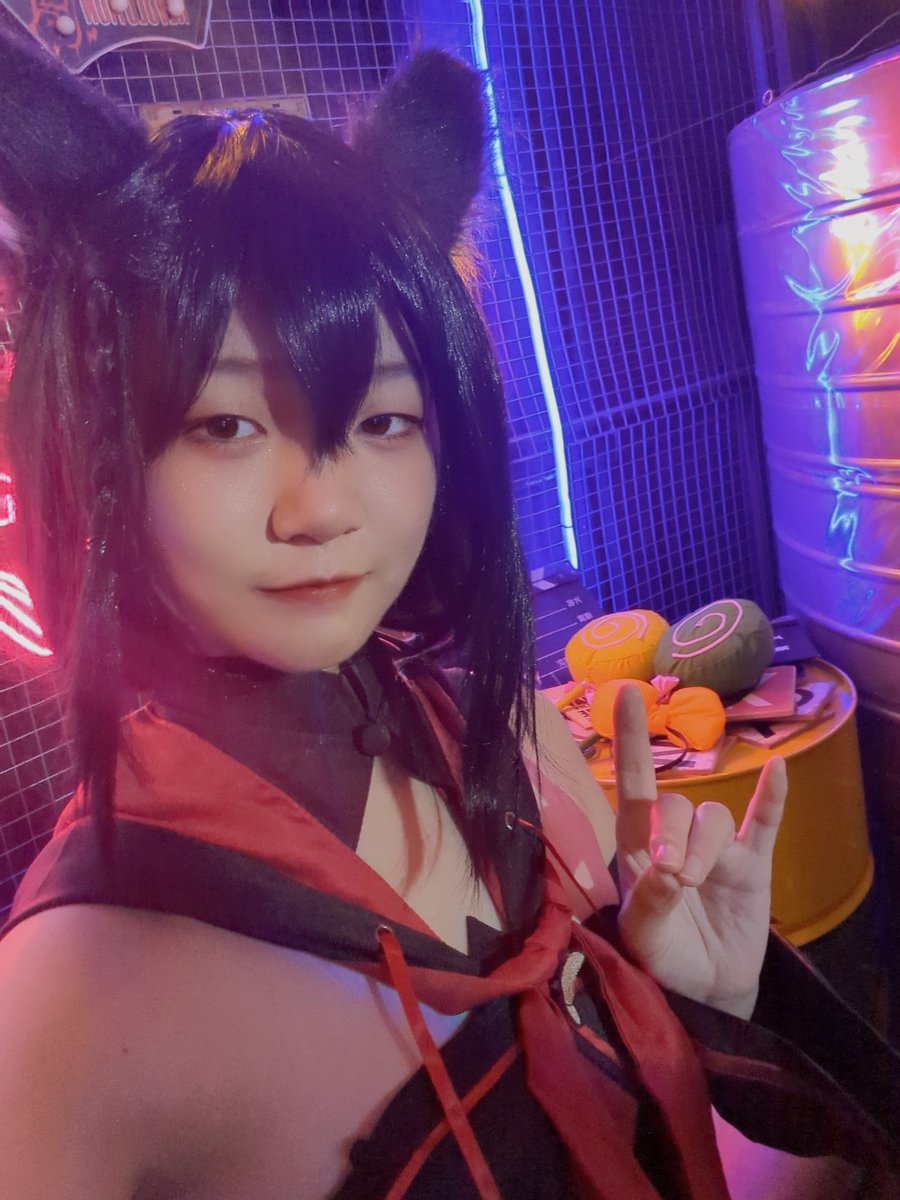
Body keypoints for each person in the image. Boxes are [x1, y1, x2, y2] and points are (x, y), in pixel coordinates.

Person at [0, 26, 894, 1200]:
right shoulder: (61, 1015)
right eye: (226, 425)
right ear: (96, 443)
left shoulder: (524, 750)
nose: (321, 509)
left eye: (383, 421)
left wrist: (700, 1006)